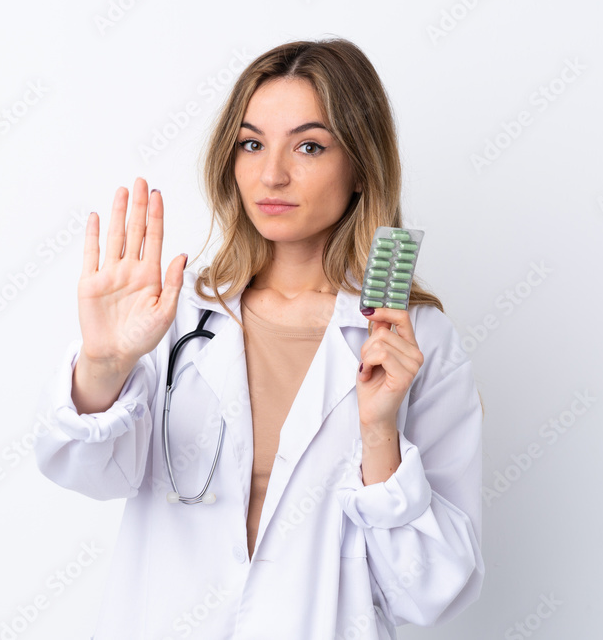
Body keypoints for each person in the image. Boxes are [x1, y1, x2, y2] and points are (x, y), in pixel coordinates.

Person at [33, 37, 484, 639]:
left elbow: (432, 591)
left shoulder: (413, 341)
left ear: (360, 168)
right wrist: (104, 365)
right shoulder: (175, 315)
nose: (271, 174)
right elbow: (86, 474)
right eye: (251, 144)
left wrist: (379, 436)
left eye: (309, 145)